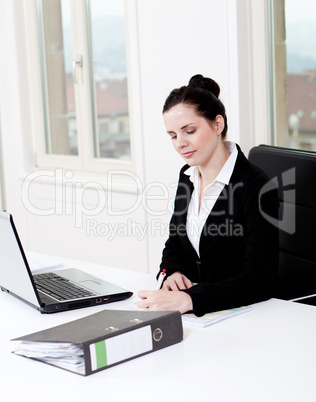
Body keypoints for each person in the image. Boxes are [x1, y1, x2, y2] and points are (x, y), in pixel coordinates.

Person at [137, 74, 279, 316]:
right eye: (173, 135)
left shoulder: (256, 186)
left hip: (244, 315)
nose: (180, 143)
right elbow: (175, 242)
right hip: (198, 315)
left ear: (217, 125)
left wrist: (190, 300)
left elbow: (259, 279)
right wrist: (172, 273)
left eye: (189, 131)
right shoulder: (188, 176)